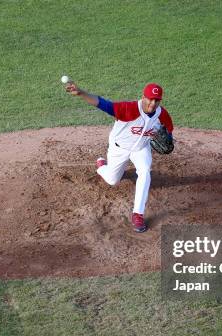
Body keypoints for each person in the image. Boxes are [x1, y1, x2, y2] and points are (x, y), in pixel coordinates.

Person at [64, 81, 174, 232]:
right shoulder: (128, 109)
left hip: (141, 149)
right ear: (143, 97)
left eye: (157, 100)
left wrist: (168, 137)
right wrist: (81, 92)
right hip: (119, 148)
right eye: (150, 99)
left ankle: (138, 214)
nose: (153, 103)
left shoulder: (163, 115)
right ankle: (102, 165)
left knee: (145, 171)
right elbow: (102, 103)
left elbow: (168, 132)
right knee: (112, 180)